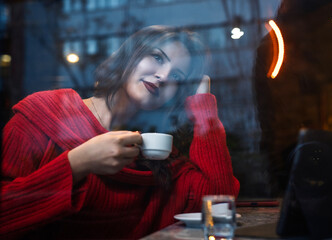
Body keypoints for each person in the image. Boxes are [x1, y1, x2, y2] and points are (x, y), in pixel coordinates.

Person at [1, 25, 240, 239]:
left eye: (177, 75)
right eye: (157, 57)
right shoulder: (45, 113)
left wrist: (203, 106)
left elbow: (218, 208)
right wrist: (77, 163)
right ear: (130, 56)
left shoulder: (158, 157)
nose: (164, 76)